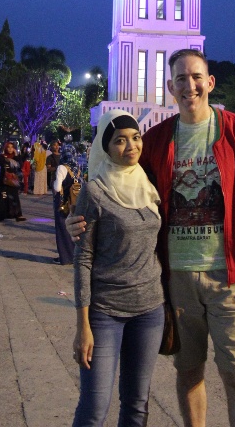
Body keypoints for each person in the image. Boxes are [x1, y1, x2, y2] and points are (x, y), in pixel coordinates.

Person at [68, 50, 235, 427]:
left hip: (228, 277)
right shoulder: (156, 140)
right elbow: (121, 181)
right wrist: (78, 220)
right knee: (188, 372)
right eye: (181, 79)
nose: (190, 85)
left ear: (210, 82)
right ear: (170, 88)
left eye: (196, 77)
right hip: (177, 279)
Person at [72, 109, 164, 427]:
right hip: (105, 312)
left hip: (149, 311)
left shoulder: (149, 186)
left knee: (137, 405)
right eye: (120, 141)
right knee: (95, 407)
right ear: (106, 147)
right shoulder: (95, 192)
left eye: (135, 138)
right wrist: (82, 325)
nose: (130, 146)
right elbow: (82, 259)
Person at [52, 149, 81, 265]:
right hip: (75, 201)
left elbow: (58, 188)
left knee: (62, 229)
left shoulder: (62, 168)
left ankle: (65, 257)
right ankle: (75, 256)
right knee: (73, 229)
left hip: (63, 203)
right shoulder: (77, 168)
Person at [0, 141, 27, 222]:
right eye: (8, 147)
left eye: (12, 147)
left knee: (14, 197)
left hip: (13, 181)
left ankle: (17, 215)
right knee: (3, 197)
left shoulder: (16, 157)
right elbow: (3, 164)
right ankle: (1, 215)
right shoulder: (2, 156)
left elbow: (20, 165)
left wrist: (16, 156)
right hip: (4, 181)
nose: (10, 149)